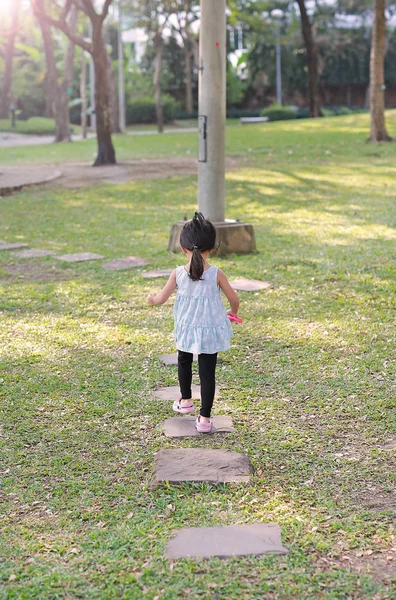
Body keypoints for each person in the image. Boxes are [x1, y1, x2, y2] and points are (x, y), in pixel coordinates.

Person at [147, 212, 240, 433]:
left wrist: (151, 300)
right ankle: (205, 419)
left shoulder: (178, 273)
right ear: (213, 248)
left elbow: (160, 299)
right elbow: (234, 298)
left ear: (183, 248)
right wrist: (232, 312)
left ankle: (185, 401)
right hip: (209, 331)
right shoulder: (217, 273)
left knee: (184, 361)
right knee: (208, 373)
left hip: (187, 328)